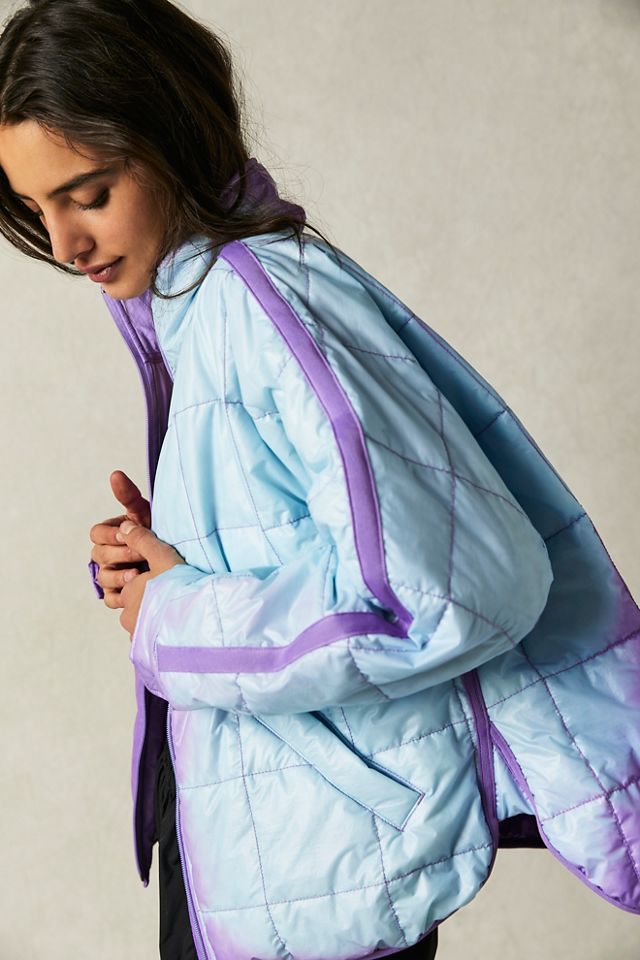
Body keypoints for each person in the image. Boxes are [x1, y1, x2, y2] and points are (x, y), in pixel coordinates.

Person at [0, 3, 638, 960]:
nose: (64, 245)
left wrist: (175, 613)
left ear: (172, 137)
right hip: (272, 859)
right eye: (37, 208)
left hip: (323, 878)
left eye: (87, 195)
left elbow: (439, 596)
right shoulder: (199, 308)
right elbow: (314, 542)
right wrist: (169, 562)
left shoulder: (258, 301)